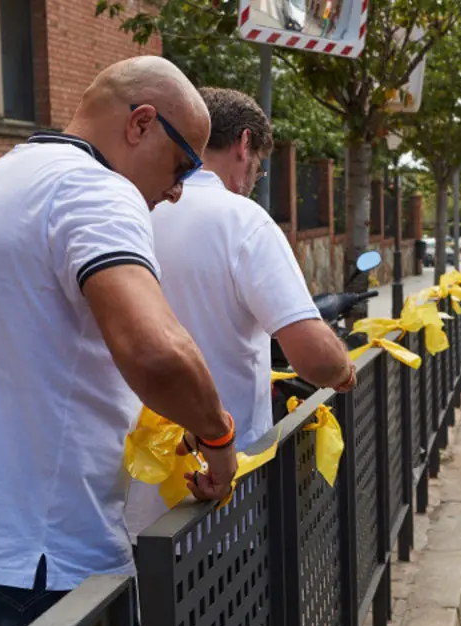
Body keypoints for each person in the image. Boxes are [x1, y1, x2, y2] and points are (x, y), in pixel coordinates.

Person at [0, 57, 240, 626]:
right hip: (44, 554)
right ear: (142, 123)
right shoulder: (94, 188)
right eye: (182, 166)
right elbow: (156, 350)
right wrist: (218, 436)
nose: (176, 191)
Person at [124, 87, 355, 537]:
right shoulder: (243, 221)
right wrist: (344, 368)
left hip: (127, 493)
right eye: (259, 165)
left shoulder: (132, 210)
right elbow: (313, 357)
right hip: (215, 494)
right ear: (244, 144)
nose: (255, 177)